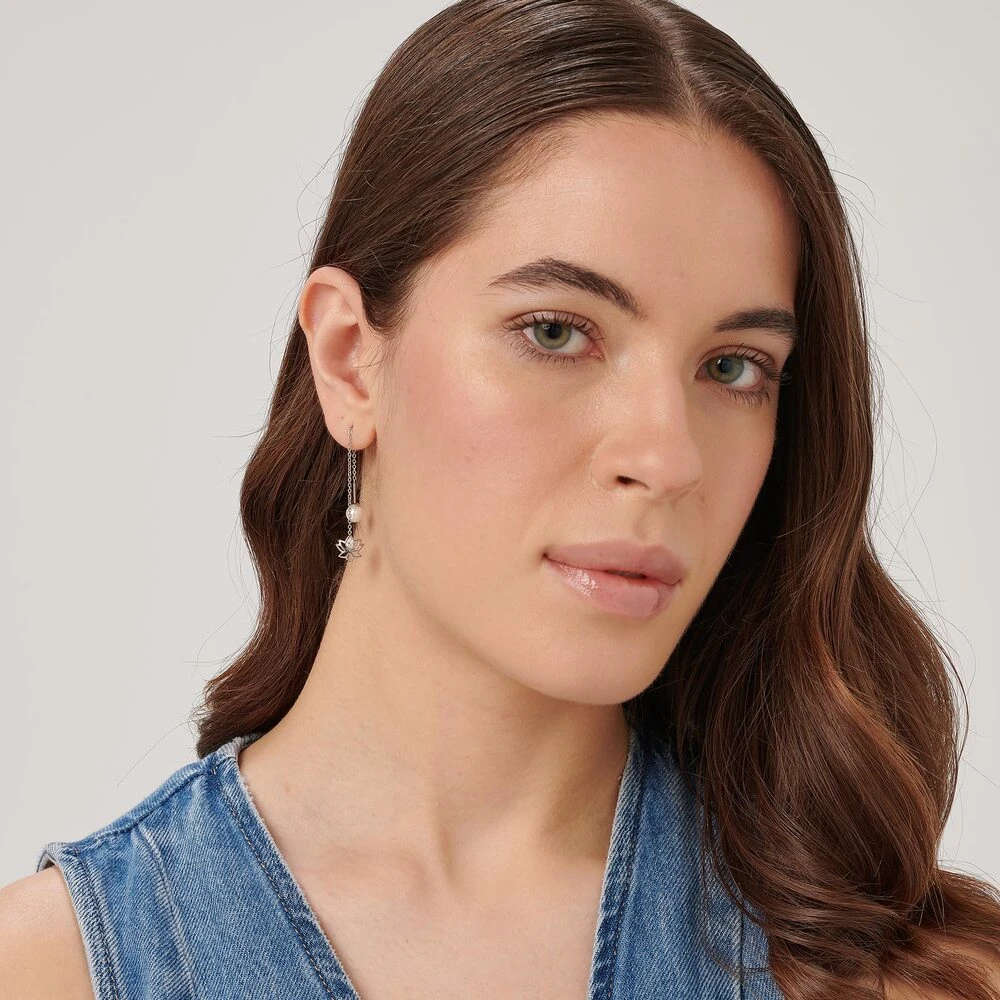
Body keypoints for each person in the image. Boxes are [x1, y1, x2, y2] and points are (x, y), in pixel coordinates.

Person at [2, 0, 999, 997]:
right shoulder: (50, 971)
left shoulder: (912, 979)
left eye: (733, 366)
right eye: (556, 332)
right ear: (347, 360)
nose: (666, 456)